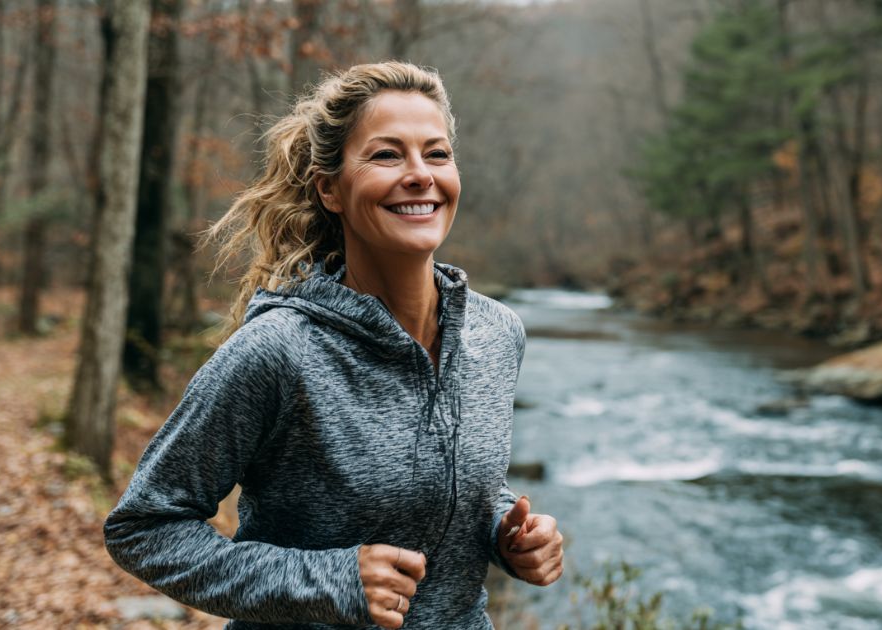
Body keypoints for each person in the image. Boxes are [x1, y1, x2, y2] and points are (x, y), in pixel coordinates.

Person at [104, 61, 564, 629]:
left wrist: (505, 533)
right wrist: (328, 581)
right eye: (387, 155)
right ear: (330, 189)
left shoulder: (495, 334)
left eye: (437, 154)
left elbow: (455, 482)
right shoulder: (278, 350)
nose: (420, 174)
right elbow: (144, 528)